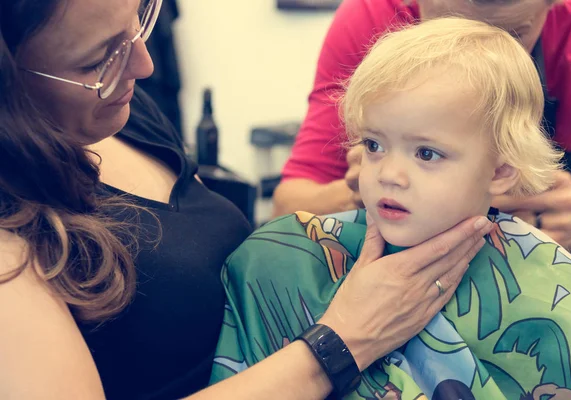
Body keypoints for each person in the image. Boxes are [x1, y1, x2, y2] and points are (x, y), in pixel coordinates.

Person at [0, 0, 492, 399]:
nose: (145, 66)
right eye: (98, 59)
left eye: (139, 19)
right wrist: (344, 341)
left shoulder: (120, 112)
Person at [210, 18, 571, 399]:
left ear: (500, 171)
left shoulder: (558, 293)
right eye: (374, 145)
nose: (388, 174)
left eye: (426, 153)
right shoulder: (287, 257)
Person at [273, 0, 571, 271]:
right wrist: (366, 188)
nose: (473, 67)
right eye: (446, 31)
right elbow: (287, 208)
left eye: (511, 36)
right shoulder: (371, 18)